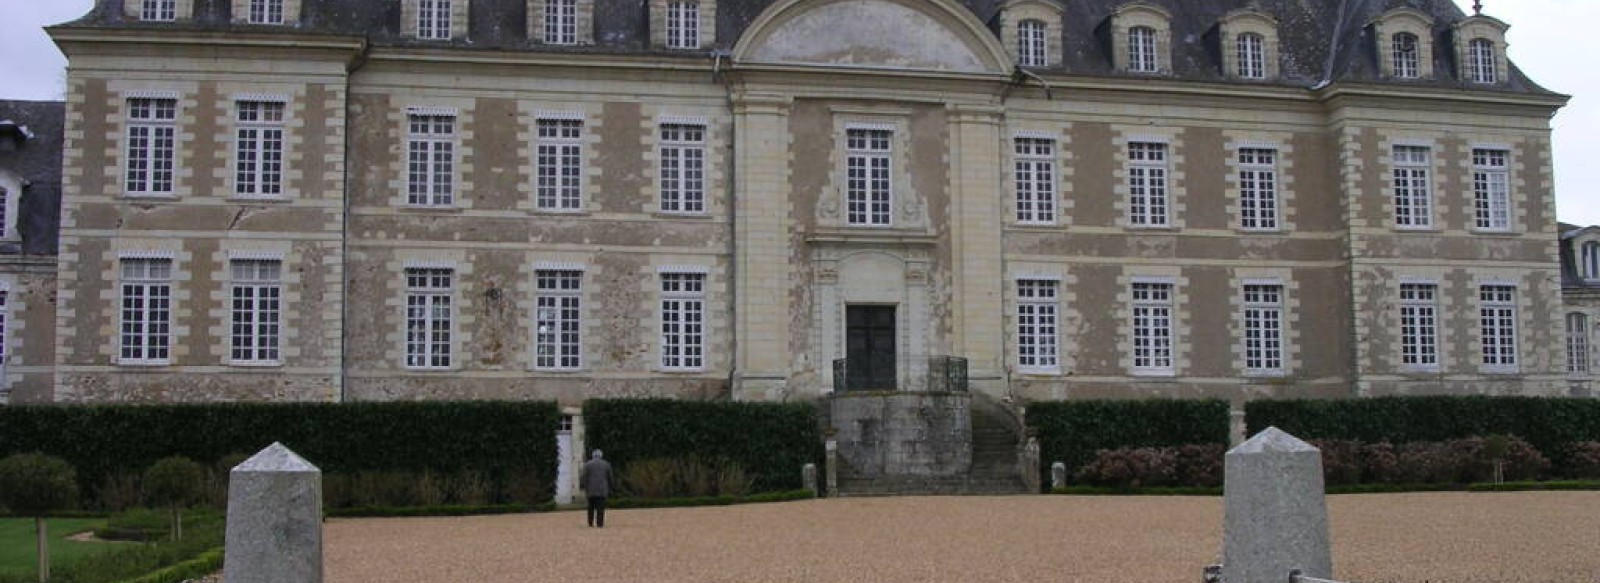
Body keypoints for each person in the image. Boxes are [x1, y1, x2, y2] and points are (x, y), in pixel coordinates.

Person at [579, 449, 613, 527]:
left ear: (593, 456)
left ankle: (590, 522)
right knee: (600, 508)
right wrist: (611, 486)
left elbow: (583, 477)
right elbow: (610, 477)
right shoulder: (606, 464)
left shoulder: (587, 465)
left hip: (590, 489)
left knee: (590, 507)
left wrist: (583, 486)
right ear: (601, 456)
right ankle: (599, 523)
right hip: (602, 490)